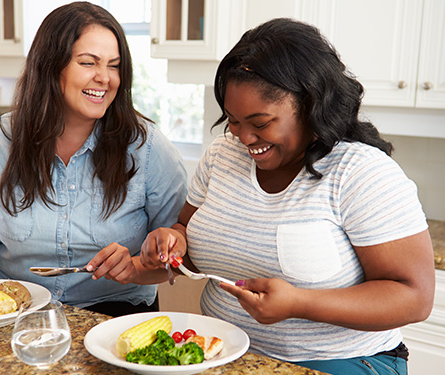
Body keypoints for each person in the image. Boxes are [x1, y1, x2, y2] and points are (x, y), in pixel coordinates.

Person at [140, 18, 435, 374]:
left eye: (261, 123)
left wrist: (300, 303)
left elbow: (414, 298)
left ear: (310, 104)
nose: (244, 137)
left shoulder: (361, 173)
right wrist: (172, 241)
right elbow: (187, 232)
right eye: (233, 120)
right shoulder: (222, 156)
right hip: (223, 354)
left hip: (340, 362)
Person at [0, 2, 187, 317]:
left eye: (114, 65)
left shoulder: (146, 147)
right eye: (88, 62)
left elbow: (175, 258)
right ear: (51, 65)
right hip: (15, 313)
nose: (104, 77)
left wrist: (134, 265)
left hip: (113, 317)